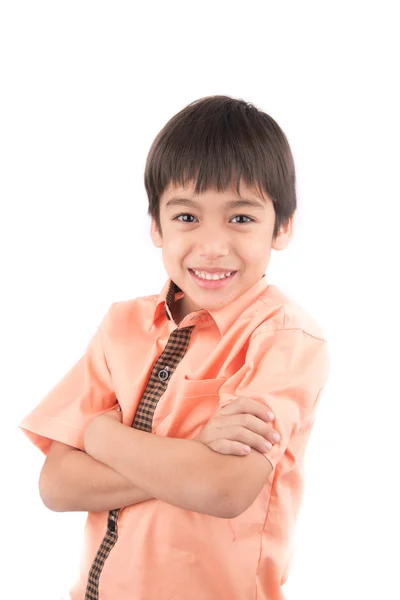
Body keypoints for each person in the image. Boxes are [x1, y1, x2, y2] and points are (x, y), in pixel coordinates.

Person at [19, 94, 330, 600]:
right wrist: (192, 457)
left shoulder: (284, 338)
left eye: (241, 218)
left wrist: (99, 435)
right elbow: (56, 484)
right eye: (187, 217)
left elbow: (223, 489)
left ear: (284, 226)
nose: (211, 245)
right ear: (156, 226)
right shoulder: (122, 324)